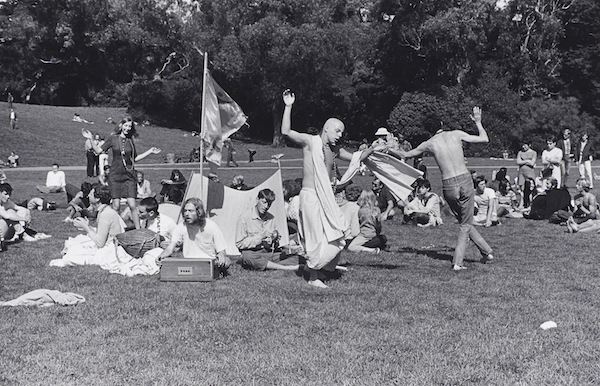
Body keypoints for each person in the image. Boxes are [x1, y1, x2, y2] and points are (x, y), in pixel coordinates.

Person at [281, 89, 374, 287]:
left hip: (327, 198)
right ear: (326, 129)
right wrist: (288, 106)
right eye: (337, 131)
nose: (340, 135)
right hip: (311, 196)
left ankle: (318, 267)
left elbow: (356, 158)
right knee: (315, 235)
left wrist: (374, 148)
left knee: (337, 230)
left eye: (342, 132)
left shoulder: (335, 150)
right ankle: (313, 277)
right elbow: (286, 132)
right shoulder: (310, 142)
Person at [389, 107, 494, 271]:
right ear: (442, 124)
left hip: (448, 185)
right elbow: (484, 138)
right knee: (465, 224)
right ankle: (458, 262)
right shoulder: (456, 134)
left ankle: (487, 252)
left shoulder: (429, 143)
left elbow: (405, 155)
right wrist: (478, 122)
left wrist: (388, 148)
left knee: (464, 222)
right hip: (465, 180)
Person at [82, 117, 161, 229]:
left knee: (133, 205)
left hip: (129, 175)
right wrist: (90, 138)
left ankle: (139, 231)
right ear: (121, 125)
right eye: (126, 125)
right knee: (116, 205)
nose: (128, 128)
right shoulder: (113, 138)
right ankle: (115, 230)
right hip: (115, 175)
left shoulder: (130, 140)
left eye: (130, 126)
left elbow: (135, 158)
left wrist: (150, 151)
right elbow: (99, 151)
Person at [157, 198, 231, 275]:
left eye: (190, 211)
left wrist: (221, 256)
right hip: (189, 261)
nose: (187, 214)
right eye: (185, 211)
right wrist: (161, 256)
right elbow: (170, 248)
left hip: (210, 261)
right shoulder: (180, 227)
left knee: (227, 261)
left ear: (199, 212)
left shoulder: (211, 226)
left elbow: (222, 250)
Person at [57, 185, 127, 266]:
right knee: (74, 245)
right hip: (109, 247)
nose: (88, 196)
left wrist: (86, 227)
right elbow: (103, 234)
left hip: (109, 251)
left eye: (91, 194)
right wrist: (88, 226)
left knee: (69, 257)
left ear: (97, 199)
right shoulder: (105, 210)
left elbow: (100, 243)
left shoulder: (106, 214)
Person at [235, 189, 301, 271]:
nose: (266, 207)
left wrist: (275, 239)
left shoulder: (271, 218)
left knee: (298, 258)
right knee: (247, 257)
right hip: (252, 253)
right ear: (257, 200)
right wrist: (260, 237)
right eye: (264, 202)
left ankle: (268, 265)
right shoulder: (244, 218)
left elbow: (275, 243)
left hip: (268, 253)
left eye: (269, 204)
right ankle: (284, 267)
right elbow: (239, 243)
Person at [516, 140, 537, 208]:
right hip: (521, 173)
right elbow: (518, 162)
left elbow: (532, 163)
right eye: (523, 145)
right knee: (522, 188)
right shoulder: (520, 152)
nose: (523, 146)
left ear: (529, 145)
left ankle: (530, 204)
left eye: (525, 145)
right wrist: (527, 161)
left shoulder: (533, 153)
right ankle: (522, 203)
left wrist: (523, 161)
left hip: (530, 172)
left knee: (530, 188)